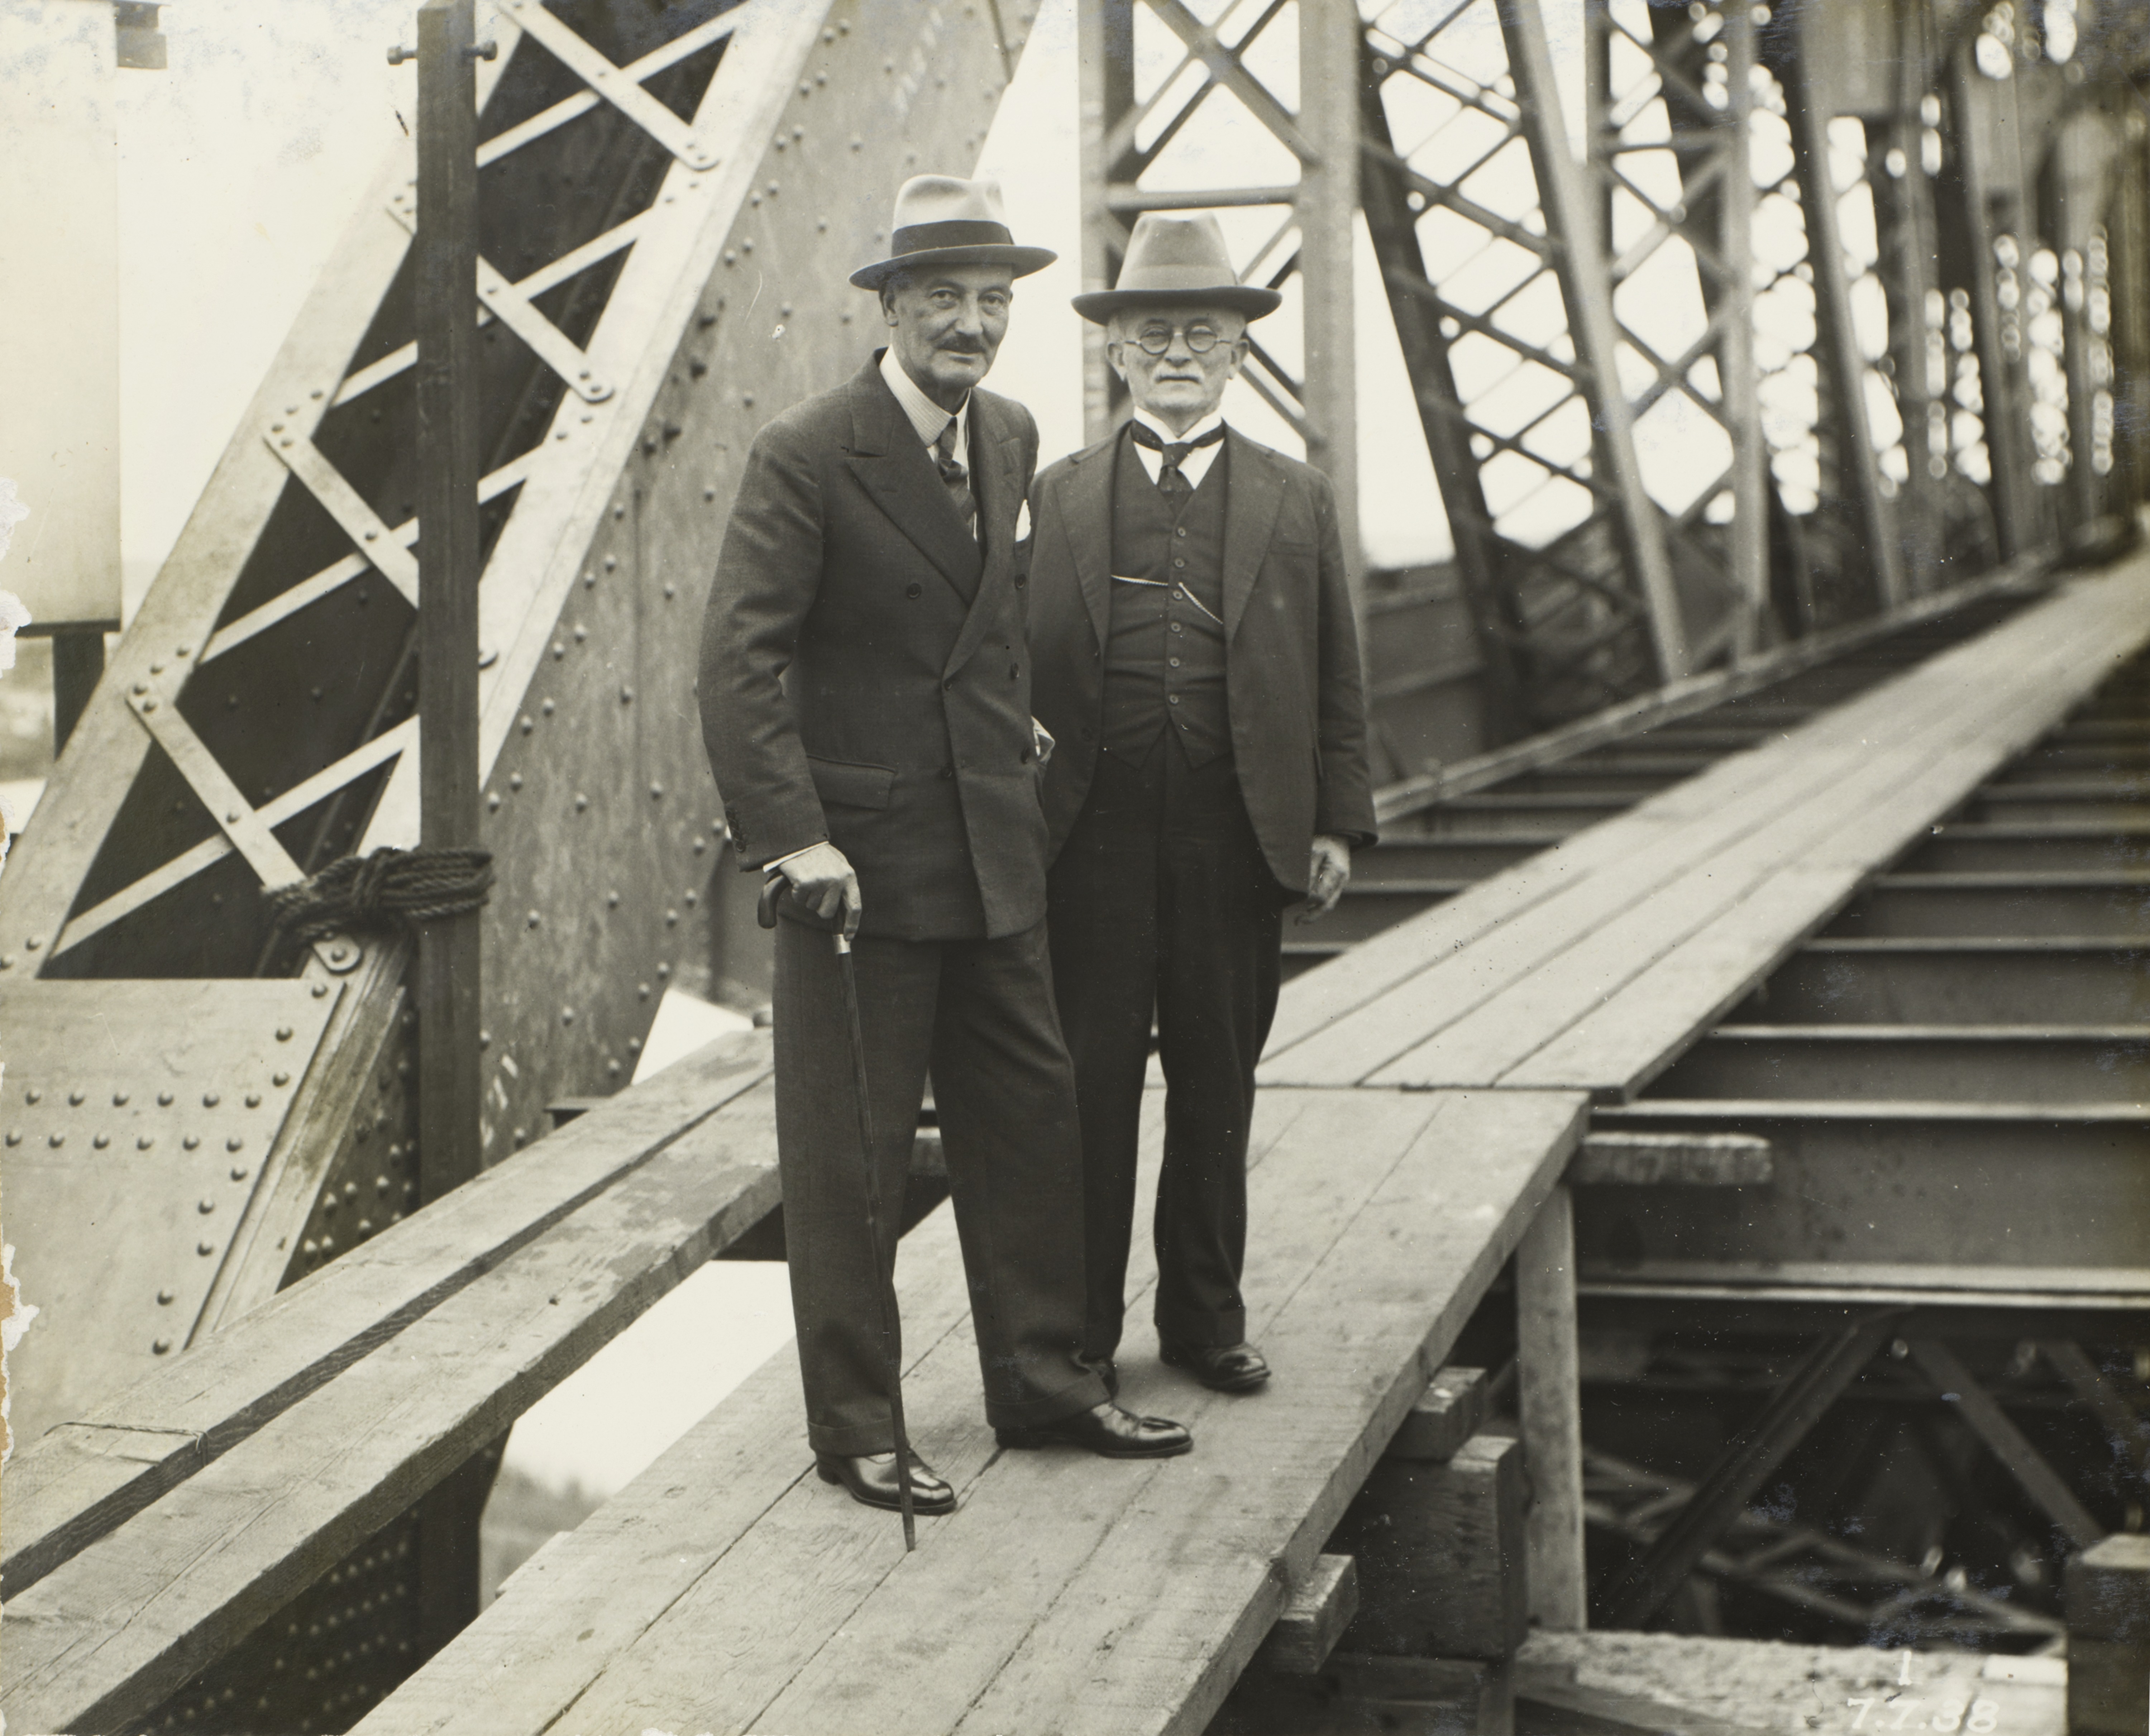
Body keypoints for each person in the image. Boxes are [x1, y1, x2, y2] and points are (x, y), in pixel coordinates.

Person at [698, 176, 1192, 1517]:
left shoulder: (1012, 434)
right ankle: (858, 1430)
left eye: (993, 303)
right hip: (854, 871)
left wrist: (1014, 730)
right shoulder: (811, 449)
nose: (971, 326)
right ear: (892, 310)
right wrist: (792, 838)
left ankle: (1045, 1383)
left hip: (991, 846)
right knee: (850, 1158)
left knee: (1032, 1120)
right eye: (945, 303)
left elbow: (986, 618)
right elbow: (739, 662)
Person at [1026, 211, 1377, 1399]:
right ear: (1116, 353)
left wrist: (1335, 818)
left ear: (1238, 353)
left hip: (1237, 837)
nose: (1178, 352)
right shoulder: (1057, 495)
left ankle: (1203, 1322)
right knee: (1091, 1084)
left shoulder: (1297, 499)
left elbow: (1336, 667)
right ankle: (1078, 1329)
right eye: (1153, 332)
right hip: (1091, 842)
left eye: (1204, 333)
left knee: (1219, 1089)